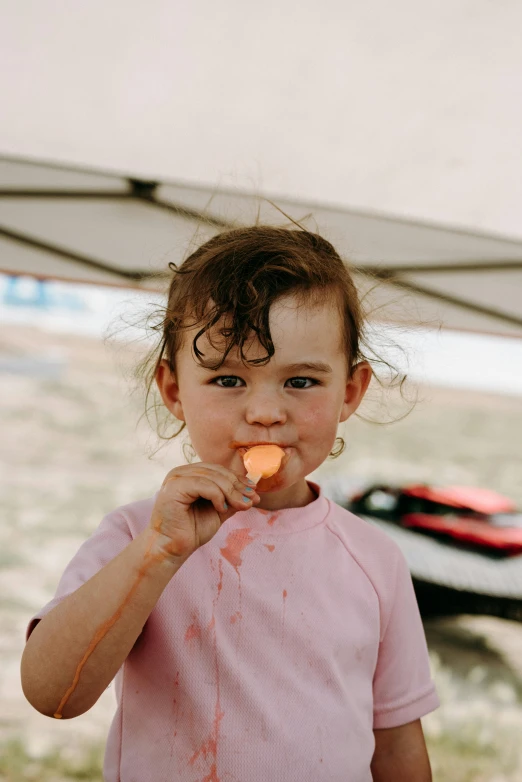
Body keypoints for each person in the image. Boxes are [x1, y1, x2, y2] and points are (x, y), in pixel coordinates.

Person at [21, 225, 439, 781]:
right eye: (227, 378)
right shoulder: (136, 536)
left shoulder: (375, 561)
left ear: (351, 392)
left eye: (300, 381)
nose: (265, 411)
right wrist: (158, 553)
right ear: (173, 390)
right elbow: (53, 694)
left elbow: (396, 745)